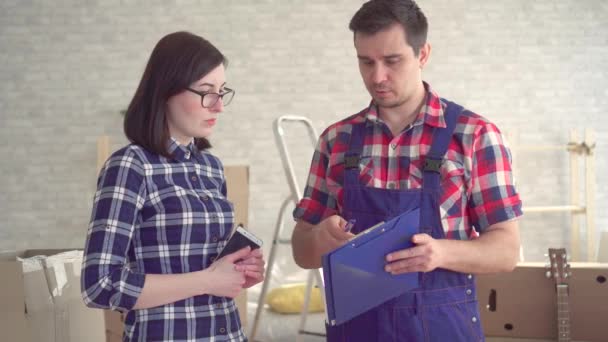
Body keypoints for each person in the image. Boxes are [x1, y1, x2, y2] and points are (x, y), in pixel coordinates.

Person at [291, 1, 522, 341]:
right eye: (366, 62)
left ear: (423, 54)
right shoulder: (335, 141)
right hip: (358, 330)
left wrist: (442, 252)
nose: (377, 76)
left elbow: (506, 252)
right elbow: (301, 251)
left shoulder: (475, 136)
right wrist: (320, 239)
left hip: (444, 327)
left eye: (392, 60)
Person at [81, 31, 265, 341]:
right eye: (206, 92)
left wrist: (239, 269)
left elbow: (209, 267)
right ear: (166, 90)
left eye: (222, 92)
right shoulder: (130, 166)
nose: (218, 106)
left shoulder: (211, 168)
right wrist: (208, 280)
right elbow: (100, 285)